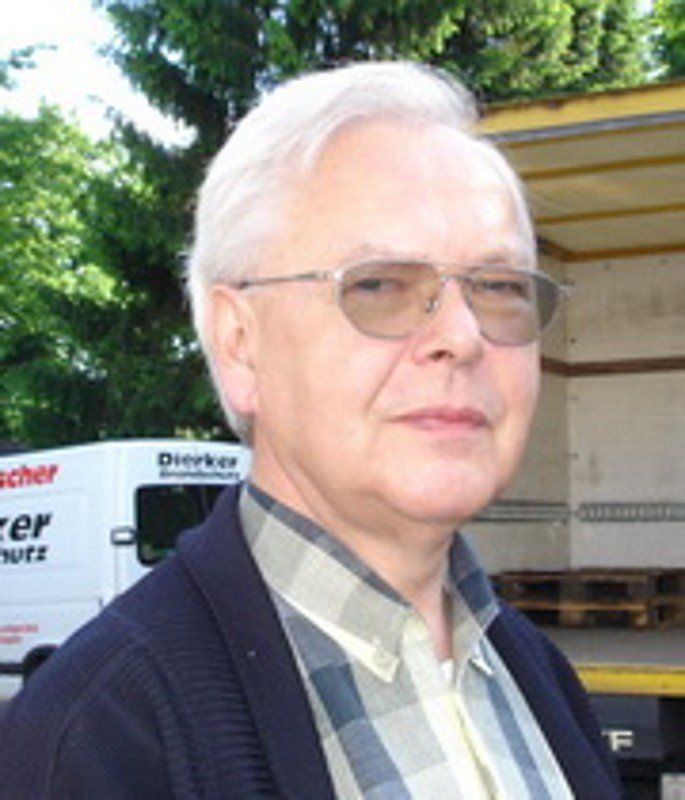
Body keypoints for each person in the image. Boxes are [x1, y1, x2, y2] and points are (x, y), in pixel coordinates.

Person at [0, 61, 621, 799]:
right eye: (379, 284)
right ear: (240, 344)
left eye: (499, 287)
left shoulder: (538, 675)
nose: (462, 335)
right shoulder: (98, 738)